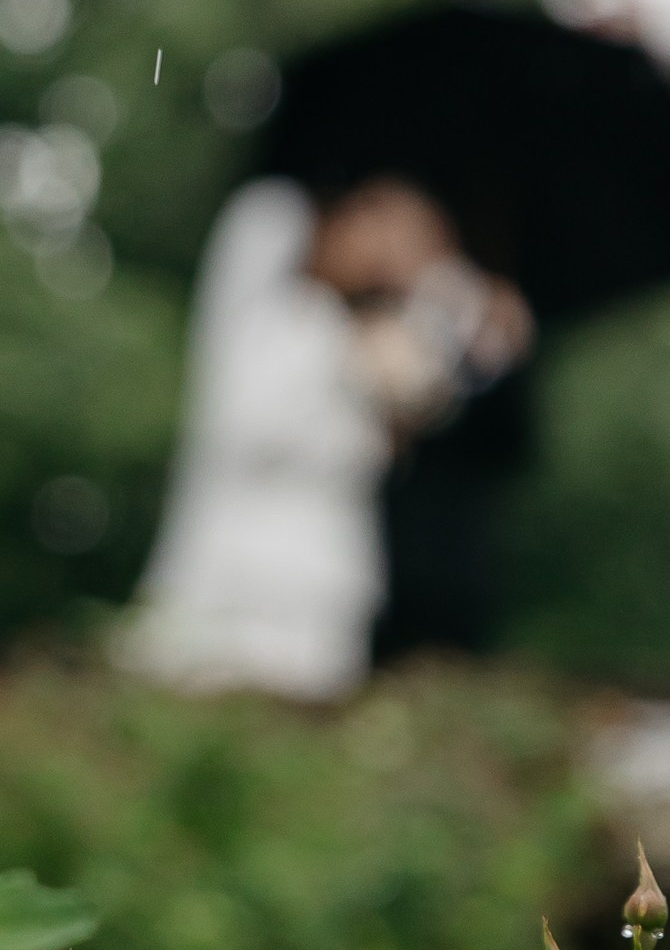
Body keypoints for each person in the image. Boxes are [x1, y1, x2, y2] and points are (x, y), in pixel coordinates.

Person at [117, 165, 532, 699]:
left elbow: (474, 363)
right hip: (258, 562)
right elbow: (245, 429)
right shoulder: (299, 327)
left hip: (332, 564)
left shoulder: (376, 329)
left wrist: (440, 288)